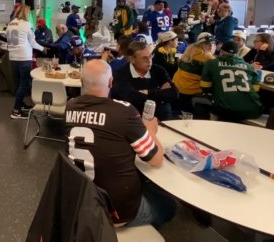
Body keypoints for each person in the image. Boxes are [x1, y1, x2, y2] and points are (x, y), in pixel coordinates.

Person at [65, 60, 175, 228]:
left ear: (81, 82)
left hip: (81, 200)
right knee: (168, 206)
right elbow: (155, 159)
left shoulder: (70, 106)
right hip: (116, 211)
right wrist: (151, 130)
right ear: (111, 82)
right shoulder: (124, 111)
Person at [111, 42, 179, 121]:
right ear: (132, 59)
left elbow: (174, 94)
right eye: (144, 58)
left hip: (163, 118)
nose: (149, 61)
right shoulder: (120, 73)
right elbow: (131, 98)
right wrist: (161, 95)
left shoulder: (159, 70)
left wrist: (148, 92)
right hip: (134, 120)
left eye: (150, 56)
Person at [198, 41, 262, 121]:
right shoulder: (249, 67)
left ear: (221, 51)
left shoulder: (211, 63)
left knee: (198, 99)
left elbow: (205, 86)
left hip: (226, 110)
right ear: (237, 53)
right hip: (252, 110)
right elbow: (256, 88)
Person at [7, 4, 46, 120]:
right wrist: (43, 49)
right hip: (24, 56)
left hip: (13, 56)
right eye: (28, 13)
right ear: (25, 13)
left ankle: (20, 103)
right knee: (24, 84)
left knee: (19, 83)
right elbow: (33, 43)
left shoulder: (10, 23)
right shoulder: (27, 24)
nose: (29, 15)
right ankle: (16, 111)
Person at [172, 33, 215, 114]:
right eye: (207, 43)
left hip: (176, 88)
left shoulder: (190, 50)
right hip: (192, 93)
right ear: (201, 44)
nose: (211, 46)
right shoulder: (208, 57)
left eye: (212, 43)